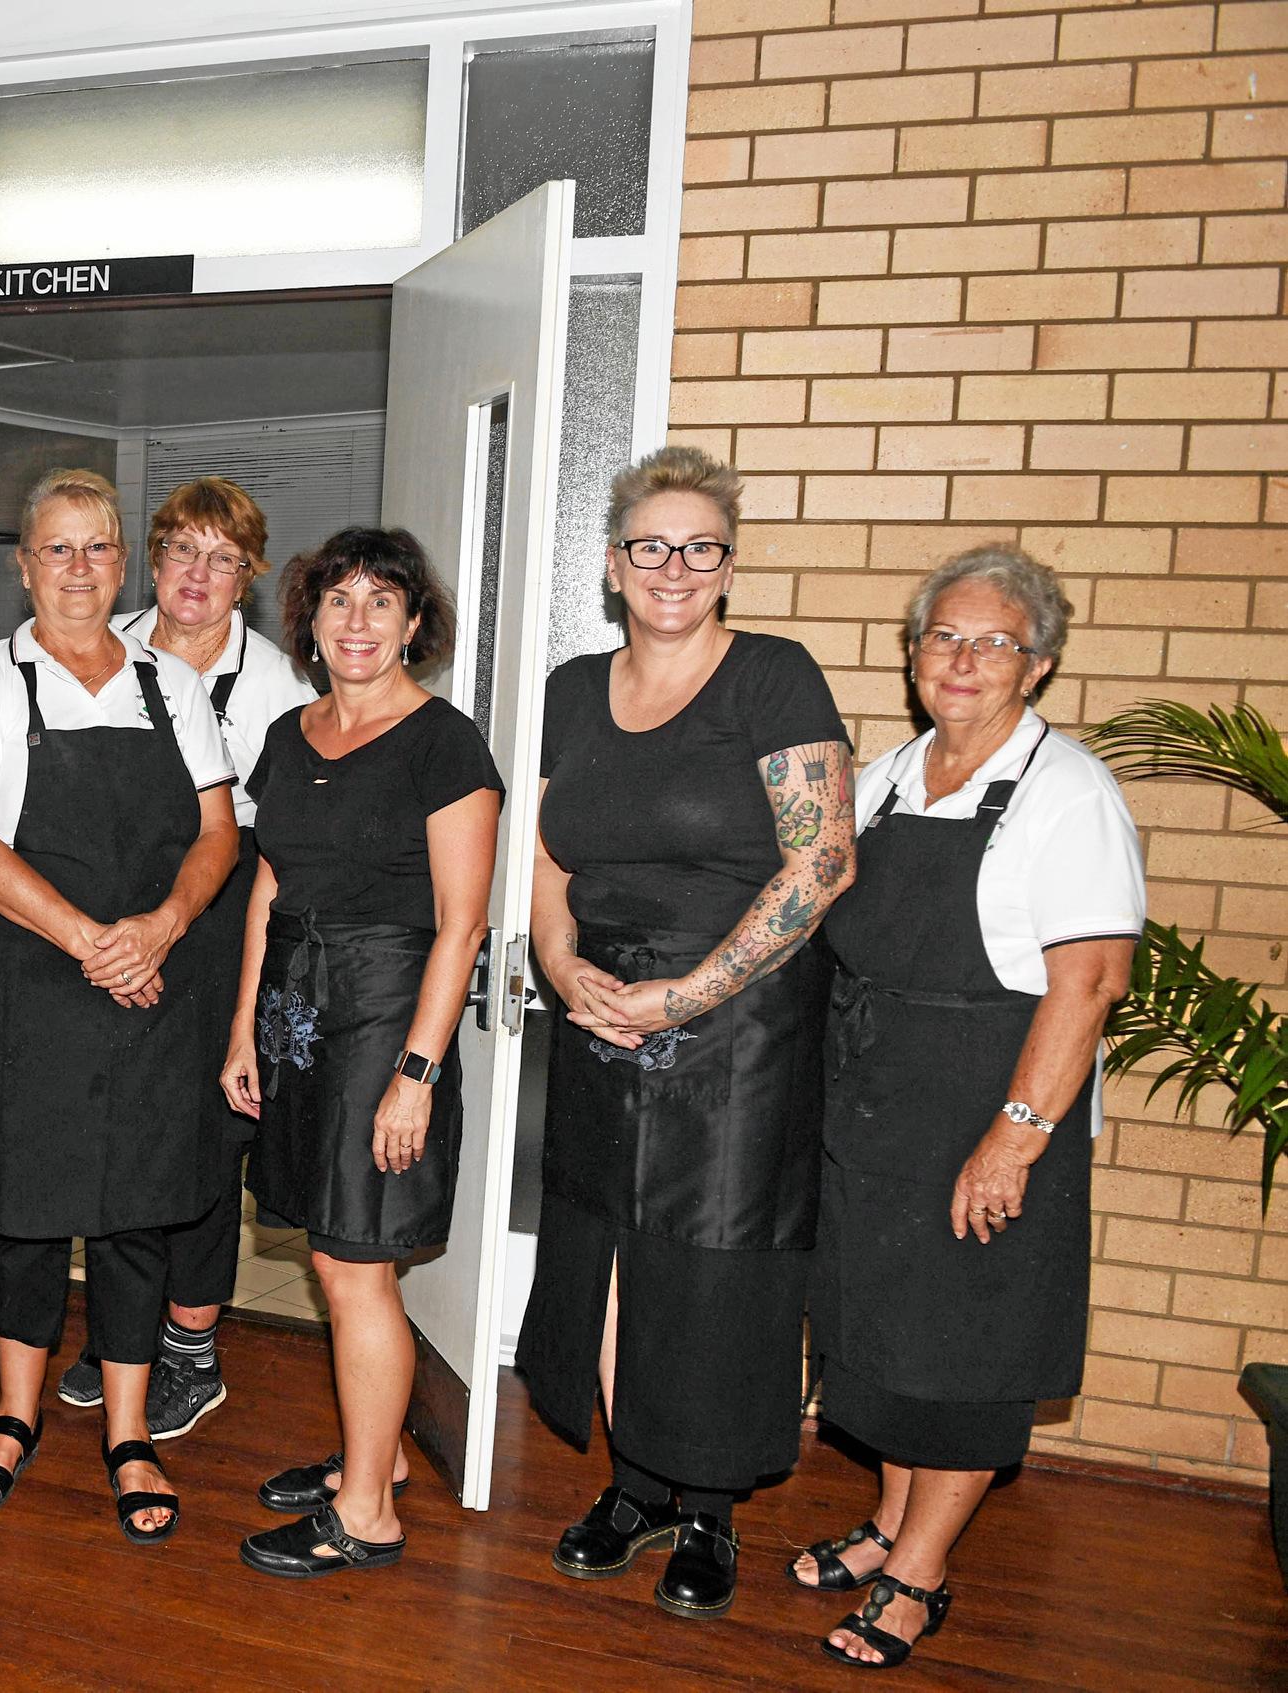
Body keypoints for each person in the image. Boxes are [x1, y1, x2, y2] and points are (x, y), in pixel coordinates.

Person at [517, 445, 855, 1621]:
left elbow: (821, 864)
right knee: (609, 1248)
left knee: (710, 1265)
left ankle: (706, 1503)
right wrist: (558, 964)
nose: (673, 566)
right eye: (649, 545)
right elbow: (552, 857)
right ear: (613, 565)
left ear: (728, 565)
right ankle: (636, 1484)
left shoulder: (773, 676)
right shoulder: (570, 686)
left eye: (699, 547)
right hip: (602, 1010)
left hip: (738, 1025)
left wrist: (694, 991)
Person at [794, 547, 1140, 1670]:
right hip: (875, 1100)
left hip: (986, 1101)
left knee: (963, 1347)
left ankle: (921, 1572)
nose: (963, 659)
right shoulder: (892, 775)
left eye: (993, 642)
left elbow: (1088, 981)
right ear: (912, 653)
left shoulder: (1069, 791)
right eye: (944, 635)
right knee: (882, 1334)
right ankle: (891, 1521)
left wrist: (1016, 1138)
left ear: (1035, 665)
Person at [0, 468, 239, 1542]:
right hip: (26, 980)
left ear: (122, 562)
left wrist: (156, 930)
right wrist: (92, 944)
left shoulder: (171, 687)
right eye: (56, 549)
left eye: (97, 548)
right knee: (23, 1211)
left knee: (137, 1212)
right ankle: (12, 1414)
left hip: (154, 977)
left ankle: (129, 1428)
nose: (78, 568)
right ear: (24, 567)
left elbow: (218, 835)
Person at [223, 526, 499, 1578]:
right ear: (310, 622)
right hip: (296, 1014)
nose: (358, 621)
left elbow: (462, 924)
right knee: (334, 1255)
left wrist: (416, 1074)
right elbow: (268, 884)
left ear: (414, 625)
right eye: (339, 600)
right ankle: (362, 1462)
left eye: (382, 602)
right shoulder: (291, 738)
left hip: (386, 1013)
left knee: (353, 1268)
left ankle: (369, 1513)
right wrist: (244, 1024)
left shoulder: (444, 743)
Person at [56, 476, 318, 1438]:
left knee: (202, 1135)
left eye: (223, 558)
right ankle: (121, 1325)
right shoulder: (102, 648)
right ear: (151, 560)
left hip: (222, 918)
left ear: (246, 576)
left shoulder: (281, 686)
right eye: (181, 551)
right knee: (114, 1125)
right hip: (106, 908)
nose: (197, 574)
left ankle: (191, 1346)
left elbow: (283, 846)